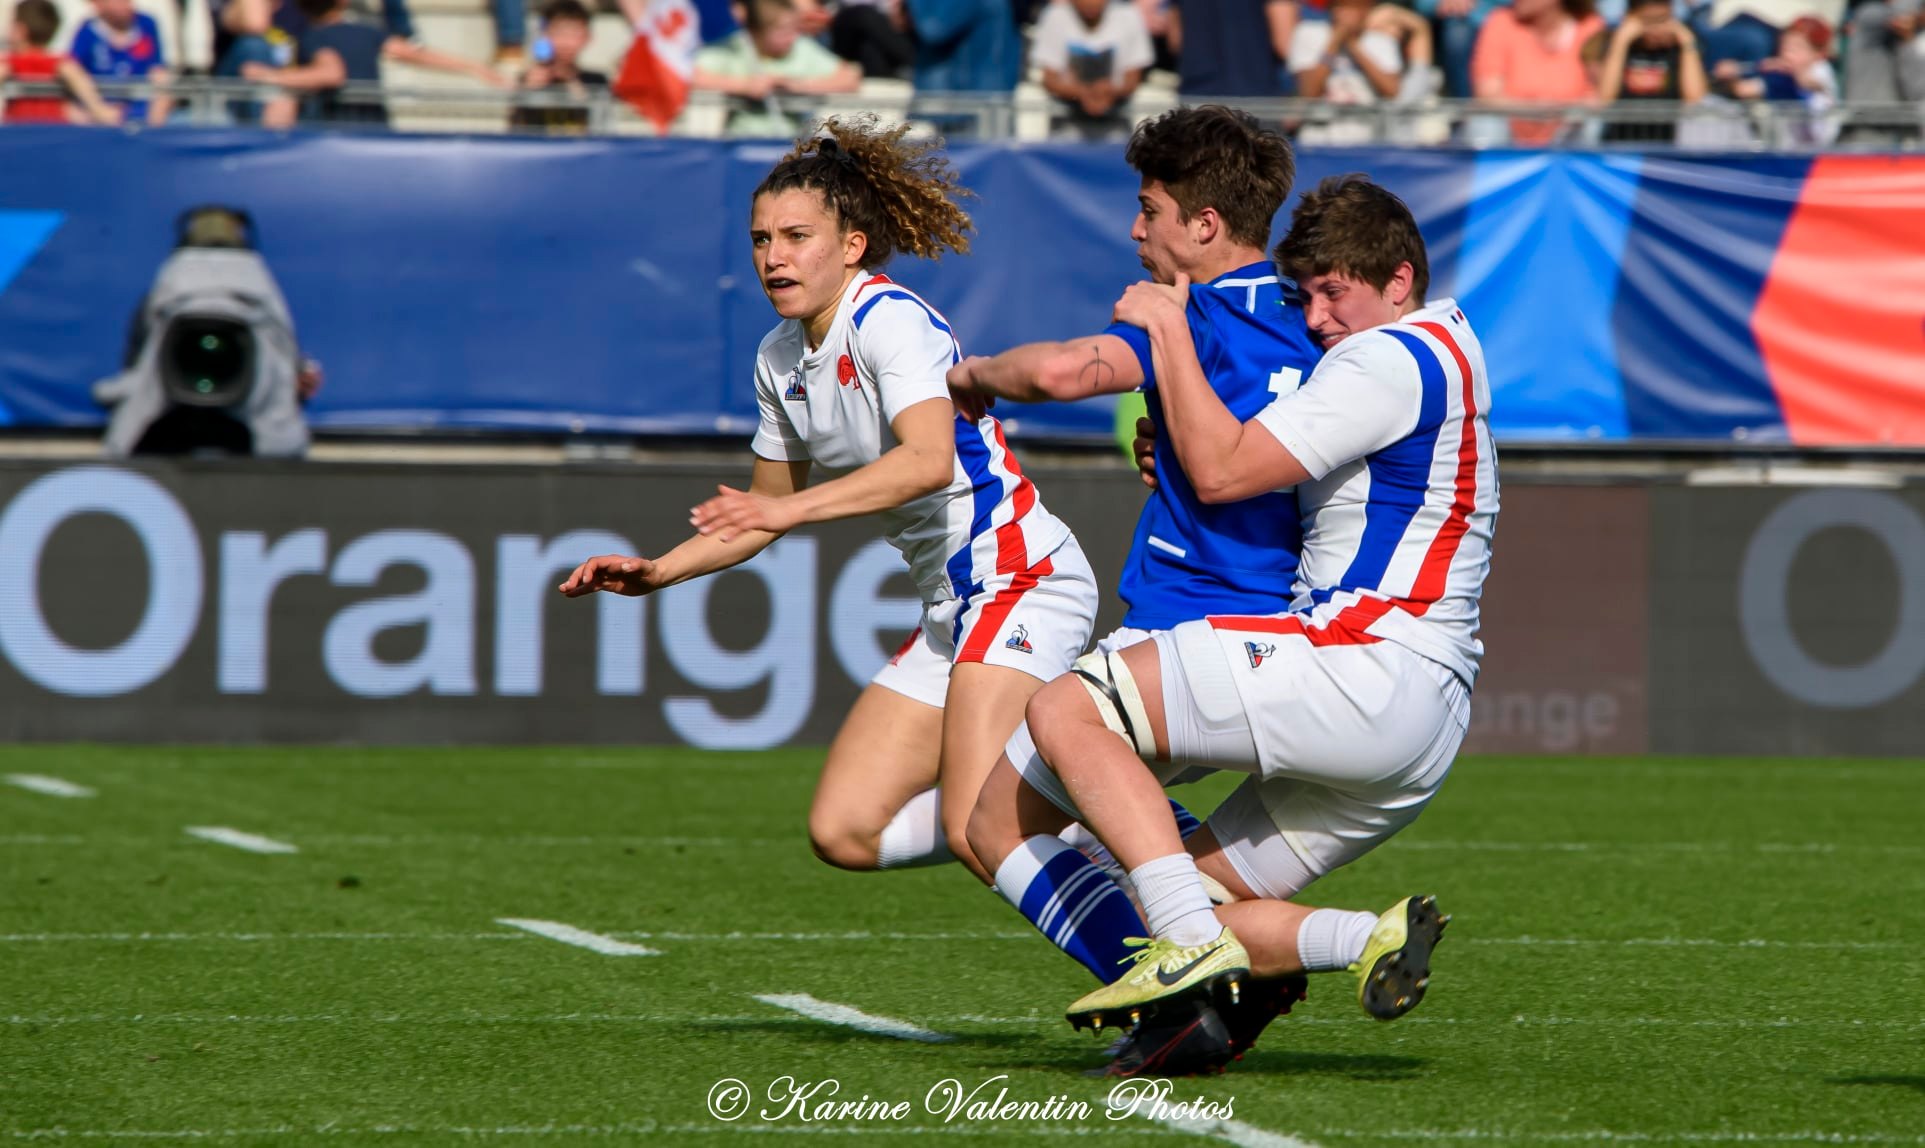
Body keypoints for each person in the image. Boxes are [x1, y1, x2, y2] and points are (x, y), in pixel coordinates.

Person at [965, 174, 1497, 1073]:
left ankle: (1182, 946)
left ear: (1399, 280)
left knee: (1065, 709)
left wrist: (1168, 331)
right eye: (1308, 295)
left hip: (1362, 663)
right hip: (1424, 726)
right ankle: (1360, 937)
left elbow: (1222, 471)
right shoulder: (1447, 349)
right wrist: (1176, 443)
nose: (1318, 319)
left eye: (1335, 292)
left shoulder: (1384, 357)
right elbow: (1248, 455)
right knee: (1188, 889)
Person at [561, 117, 1100, 891]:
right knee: (845, 830)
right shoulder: (777, 356)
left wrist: (788, 513)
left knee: (976, 828)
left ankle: (1171, 941)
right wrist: (657, 572)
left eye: (795, 236)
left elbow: (926, 461)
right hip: (951, 607)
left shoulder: (888, 319)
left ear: (852, 245)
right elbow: (761, 508)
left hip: (1018, 580)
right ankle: (1109, 812)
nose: (772, 256)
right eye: (759, 239)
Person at [946, 104, 1321, 1074]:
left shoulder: (1185, 316)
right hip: (1286, 643)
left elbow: (1067, 370)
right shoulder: (1320, 320)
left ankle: (1183, 992)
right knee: (1119, 817)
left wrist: (972, 374)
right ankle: (1235, 958)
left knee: (986, 822)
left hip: (1179, 638)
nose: (1134, 229)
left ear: (1204, 224)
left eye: (1149, 209)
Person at [240, 0, 507, 127]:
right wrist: (474, 67)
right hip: (375, 130)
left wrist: (270, 76)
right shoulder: (368, 32)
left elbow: (331, 72)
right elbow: (417, 54)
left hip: (335, 134)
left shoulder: (314, 38)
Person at [692, 0, 862, 137]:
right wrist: (745, 86)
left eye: (794, 29)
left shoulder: (801, 49)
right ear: (758, 31)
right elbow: (691, 74)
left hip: (790, 146)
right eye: (782, 30)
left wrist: (795, 86)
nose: (791, 37)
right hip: (741, 144)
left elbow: (849, 77)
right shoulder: (736, 47)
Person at [1471, 0, 1605, 143]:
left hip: (1567, 133)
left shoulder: (1590, 26)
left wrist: (1563, 113)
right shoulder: (1501, 21)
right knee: (1485, 123)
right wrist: (1535, 111)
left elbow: (1598, 95)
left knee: (1592, 121)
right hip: (1510, 135)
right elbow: (1488, 95)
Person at [1030, 0, 1156, 140]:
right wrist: (1083, 93)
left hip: (1117, 135)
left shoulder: (1129, 15)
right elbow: (1049, 79)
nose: (1090, 3)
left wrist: (1108, 92)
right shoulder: (1055, 16)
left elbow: (1132, 79)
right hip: (1065, 135)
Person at [1591, 0, 1706, 140]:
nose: (1656, 29)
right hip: (1619, 145)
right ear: (1629, 18)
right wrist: (1620, 42)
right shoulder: (1615, 47)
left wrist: (1687, 41)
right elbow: (1605, 99)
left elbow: (1695, 99)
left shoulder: (1680, 49)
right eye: (1648, 21)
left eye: (1663, 19)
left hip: (1662, 147)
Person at [0, 0, 121, 124]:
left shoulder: (13, 62)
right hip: (53, 127)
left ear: (20, 29)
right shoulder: (57, 62)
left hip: (19, 127)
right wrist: (99, 109)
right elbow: (74, 75)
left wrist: (98, 110)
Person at [69, 0, 175, 125]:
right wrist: (99, 110)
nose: (124, 5)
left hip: (141, 108)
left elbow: (157, 69)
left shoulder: (146, 24)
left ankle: (153, 131)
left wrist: (154, 120)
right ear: (98, 5)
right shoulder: (88, 30)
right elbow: (72, 67)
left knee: (165, 81)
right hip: (101, 112)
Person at [512, 0, 610, 134]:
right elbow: (516, 130)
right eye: (559, 33)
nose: (566, 42)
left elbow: (602, 131)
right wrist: (526, 93)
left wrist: (572, 84)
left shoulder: (596, 82)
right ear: (545, 34)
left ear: (587, 37)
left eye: (574, 34)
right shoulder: (530, 79)